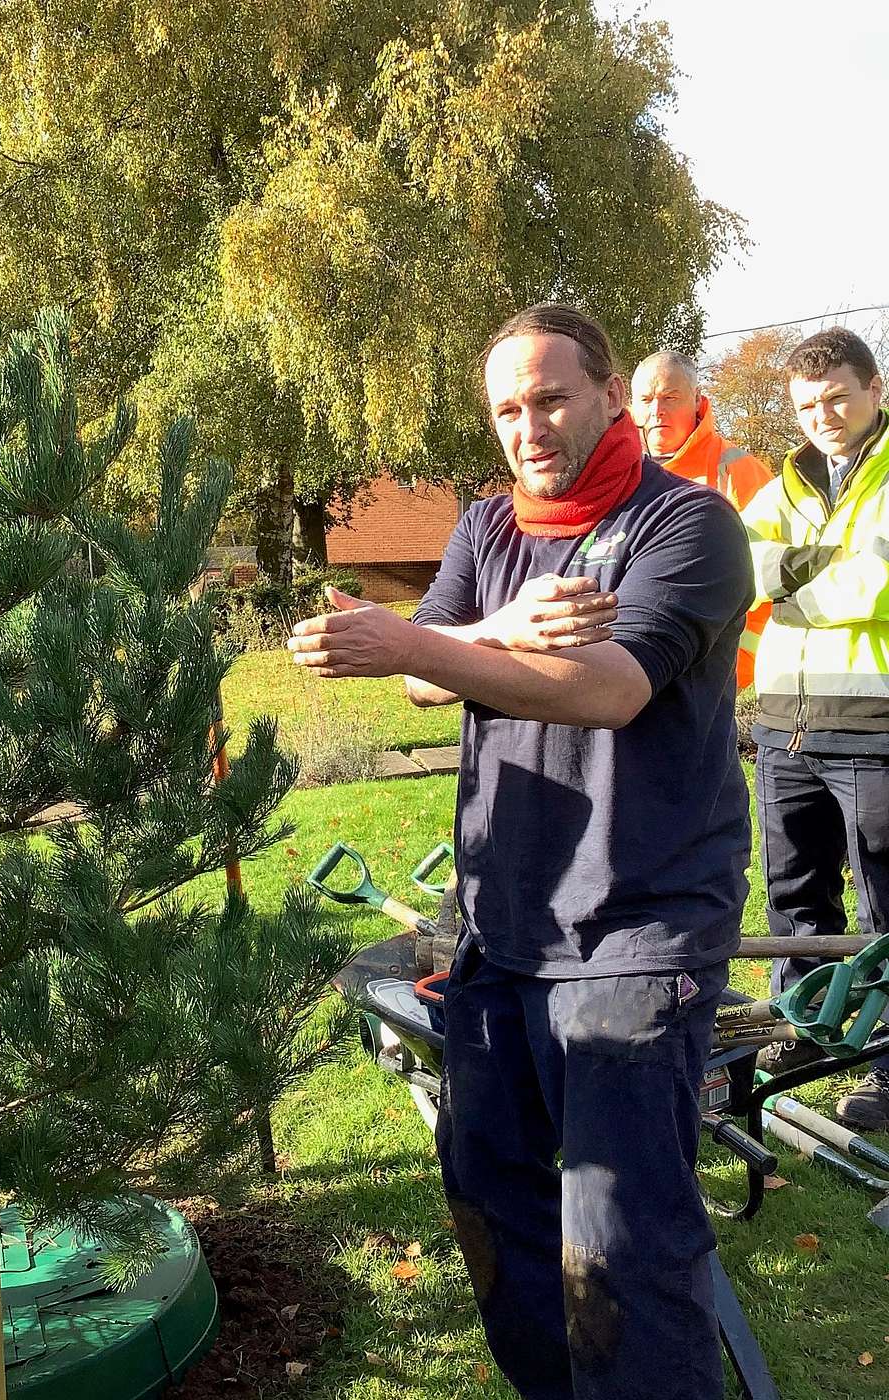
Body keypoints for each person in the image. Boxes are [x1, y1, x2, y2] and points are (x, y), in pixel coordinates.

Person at [288, 304, 752, 1400]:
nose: (527, 426)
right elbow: (420, 676)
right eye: (505, 407)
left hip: (637, 925)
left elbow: (606, 687)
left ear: (605, 393)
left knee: (621, 1241)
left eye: (548, 398)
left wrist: (415, 638)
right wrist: (487, 630)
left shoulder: (681, 525)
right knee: (490, 1193)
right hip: (501, 924)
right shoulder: (487, 532)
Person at [740, 326, 889, 1128]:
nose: (822, 415)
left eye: (837, 397)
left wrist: (794, 578)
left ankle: (887, 1062)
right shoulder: (787, 483)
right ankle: (804, 1030)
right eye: (806, 404)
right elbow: (742, 563)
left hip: (875, 725)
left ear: (875, 390)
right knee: (796, 900)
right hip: (785, 728)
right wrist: (827, 566)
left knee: (884, 908)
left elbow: (880, 582)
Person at [631, 349, 772, 686]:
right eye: (646, 399)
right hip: (625, 672)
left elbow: (767, 578)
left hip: (709, 677)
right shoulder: (616, 474)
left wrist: (737, 668)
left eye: (669, 397)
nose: (656, 411)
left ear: (697, 400)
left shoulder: (739, 471)